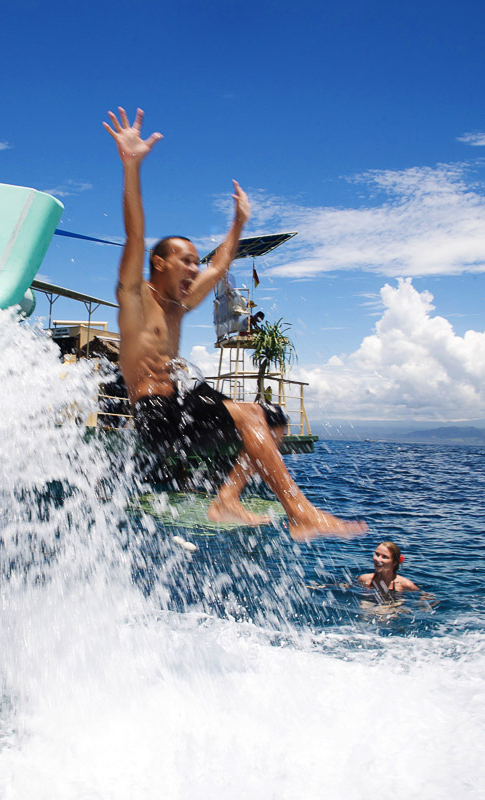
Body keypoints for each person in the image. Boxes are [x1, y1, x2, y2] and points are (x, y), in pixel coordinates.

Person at [104, 106, 366, 540]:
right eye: (185, 260)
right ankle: (301, 514)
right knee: (247, 414)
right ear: (159, 262)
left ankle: (227, 499)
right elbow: (135, 233)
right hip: (154, 415)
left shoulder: (179, 306)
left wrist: (239, 222)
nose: (193, 268)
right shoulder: (134, 297)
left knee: (275, 419)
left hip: (183, 404)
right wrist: (132, 168)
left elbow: (221, 260)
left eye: (194, 261)